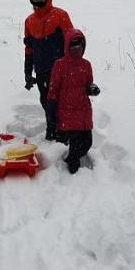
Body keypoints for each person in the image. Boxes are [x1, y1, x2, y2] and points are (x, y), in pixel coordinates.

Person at [46, 29, 100, 174]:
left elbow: (88, 84)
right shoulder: (60, 65)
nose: (77, 50)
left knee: (87, 142)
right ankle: (72, 163)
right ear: (68, 47)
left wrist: (92, 88)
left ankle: (73, 156)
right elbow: (53, 88)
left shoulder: (86, 65)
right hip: (67, 111)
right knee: (76, 143)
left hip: (83, 110)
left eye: (80, 47)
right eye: (74, 47)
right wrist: (51, 107)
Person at [23, 0, 73, 141]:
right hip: (41, 68)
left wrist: (72, 64)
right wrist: (27, 71)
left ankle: (64, 131)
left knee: (61, 100)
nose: (38, 1)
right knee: (45, 99)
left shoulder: (60, 15)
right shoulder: (29, 21)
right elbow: (29, 49)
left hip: (60, 67)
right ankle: (52, 128)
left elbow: (72, 40)